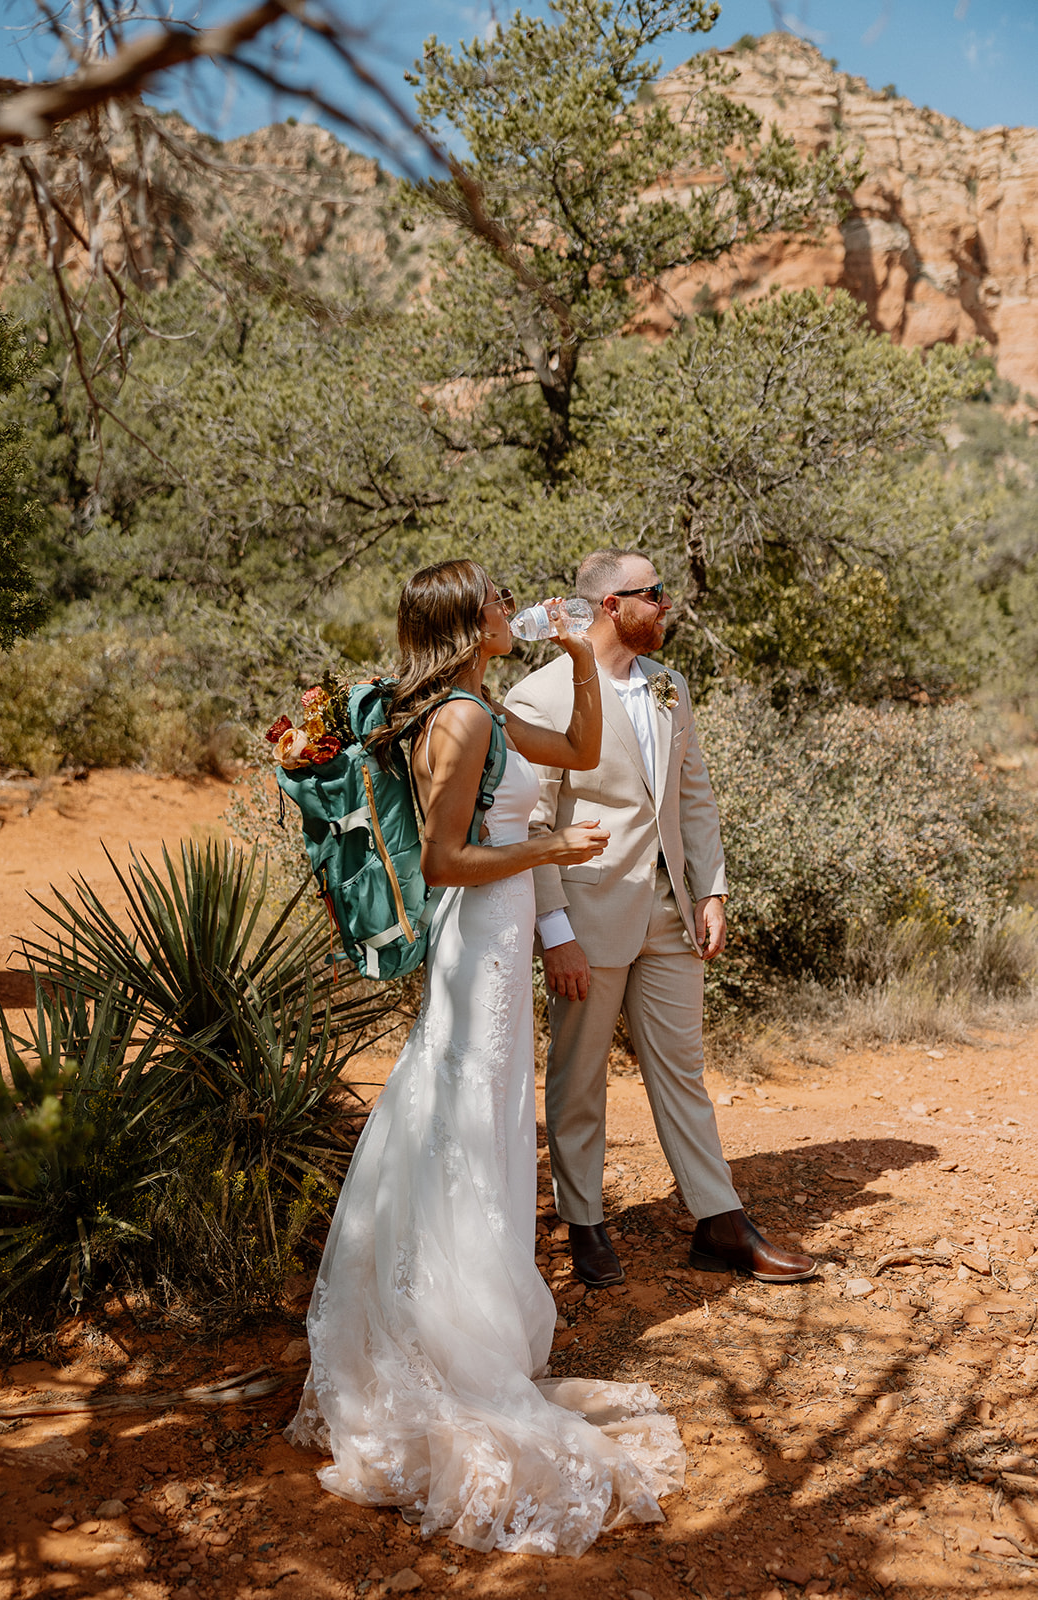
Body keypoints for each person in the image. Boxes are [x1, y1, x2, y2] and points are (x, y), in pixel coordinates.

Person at [286, 559, 688, 1557]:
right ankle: (449, 1337)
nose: (514, 608)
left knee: (494, 1116)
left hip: (505, 930)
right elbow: (440, 861)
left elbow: (584, 744)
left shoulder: (482, 706)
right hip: (480, 935)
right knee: (465, 1111)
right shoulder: (461, 721)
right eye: (502, 601)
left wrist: (573, 651)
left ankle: (474, 1316)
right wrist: (550, 852)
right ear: (467, 620)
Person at [506, 549, 816, 1289]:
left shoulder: (670, 686)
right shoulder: (539, 697)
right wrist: (555, 931)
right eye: (653, 594)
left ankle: (718, 1222)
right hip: (585, 915)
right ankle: (583, 1223)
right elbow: (532, 823)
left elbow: (693, 796)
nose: (666, 603)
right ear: (613, 605)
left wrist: (711, 889)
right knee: (578, 1078)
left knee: (682, 1070)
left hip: (671, 910)